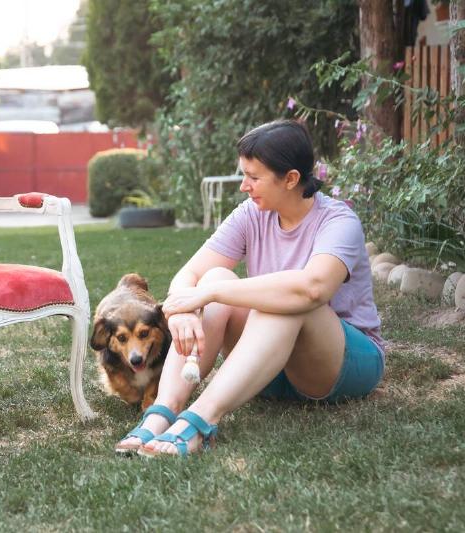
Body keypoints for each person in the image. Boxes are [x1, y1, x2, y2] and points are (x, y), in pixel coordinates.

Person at [115, 119, 385, 457]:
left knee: (284, 300)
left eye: (254, 177)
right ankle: (162, 413)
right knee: (214, 276)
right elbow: (189, 275)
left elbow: (313, 289)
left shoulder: (338, 221)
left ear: (290, 179)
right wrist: (181, 310)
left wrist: (209, 295)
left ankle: (200, 421)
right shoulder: (251, 214)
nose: (244, 186)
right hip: (266, 367)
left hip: (338, 365)